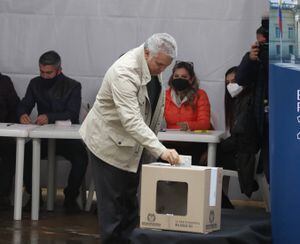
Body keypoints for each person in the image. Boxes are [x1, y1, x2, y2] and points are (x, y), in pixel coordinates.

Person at [80, 33, 180, 243]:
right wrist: (160, 150)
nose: (161, 70)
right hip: (107, 144)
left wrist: (149, 148)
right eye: (159, 65)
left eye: (166, 67)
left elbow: (153, 110)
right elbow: (132, 120)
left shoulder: (153, 63)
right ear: (146, 53)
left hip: (132, 145)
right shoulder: (123, 72)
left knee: (130, 204)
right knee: (112, 209)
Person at [17, 50, 88, 213]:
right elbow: (24, 104)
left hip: (67, 138)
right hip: (43, 137)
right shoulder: (35, 83)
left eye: (49, 72)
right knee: (25, 153)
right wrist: (22, 114)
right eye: (41, 72)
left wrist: (49, 117)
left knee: (81, 158)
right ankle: (34, 196)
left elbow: (72, 113)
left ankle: (70, 197)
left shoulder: (73, 86)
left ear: (59, 70)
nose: (44, 76)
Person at [217, 67, 260, 208]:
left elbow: (241, 138)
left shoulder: (248, 102)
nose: (231, 85)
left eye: (234, 81)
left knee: (208, 162)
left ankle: (222, 204)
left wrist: (220, 146)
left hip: (245, 156)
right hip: (244, 153)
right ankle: (223, 203)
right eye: (227, 83)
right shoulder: (239, 102)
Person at [235, 17, 269, 182]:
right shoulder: (254, 57)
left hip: (282, 116)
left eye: (266, 44)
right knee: (268, 164)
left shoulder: (287, 57)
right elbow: (241, 79)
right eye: (260, 44)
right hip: (261, 118)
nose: (262, 47)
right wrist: (251, 59)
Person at [163, 61, 211, 165]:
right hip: (170, 144)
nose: (179, 79)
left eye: (184, 77)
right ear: (172, 77)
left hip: (194, 144)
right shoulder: (164, 95)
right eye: (176, 76)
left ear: (191, 79)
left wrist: (189, 125)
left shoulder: (200, 95)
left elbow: (205, 123)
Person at [0, 73, 20, 210]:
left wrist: (9, 124)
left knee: (11, 150)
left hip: (3, 133)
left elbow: (16, 107)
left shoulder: (4, 82)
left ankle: (2, 194)